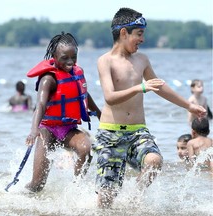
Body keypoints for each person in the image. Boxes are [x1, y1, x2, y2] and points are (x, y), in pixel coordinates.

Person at [92, 7, 207, 208]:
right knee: (107, 199)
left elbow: (158, 86)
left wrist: (188, 105)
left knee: (154, 160)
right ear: (123, 33)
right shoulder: (105, 61)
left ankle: (133, 201)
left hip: (138, 131)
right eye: (139, 34)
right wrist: (140, 87)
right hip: (110, 134)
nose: (142, 39)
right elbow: (110, 97)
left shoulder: (142, 60)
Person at [25, 32, 101, 192]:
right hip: (48, 130)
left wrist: (99, 112)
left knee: (85, 149)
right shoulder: (48, 79)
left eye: (74, 57)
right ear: (54, 56)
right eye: (65, 57)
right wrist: (34, 130)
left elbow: (84, 93)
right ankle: (22, 194)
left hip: (69, 129)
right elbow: (40, 104)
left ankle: (75, 189)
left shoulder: (77, 73)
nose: (70, 62)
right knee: (37, 185)